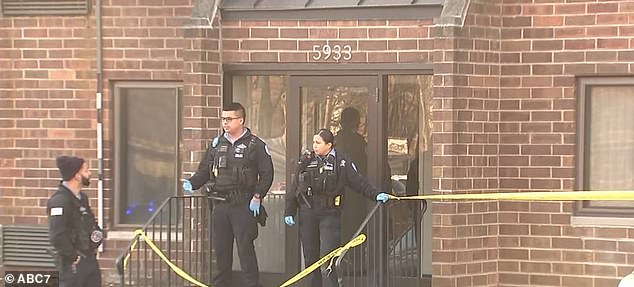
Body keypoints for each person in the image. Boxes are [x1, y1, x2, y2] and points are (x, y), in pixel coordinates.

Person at [182, 102, 274, 287]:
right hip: (220, 205)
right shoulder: (217, 144)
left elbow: (267, 174)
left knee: (245, 249)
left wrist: (258, 196)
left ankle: (252, 284)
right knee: (221, 251)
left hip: (243, 205)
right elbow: (205, 170)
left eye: (229, 119)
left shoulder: (255, 145)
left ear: (241, 120)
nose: (225, 122)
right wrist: (192, 182)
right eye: (223, 119)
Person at [284, 129, 390, 287]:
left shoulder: (341, 160)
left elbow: (358, 182)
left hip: (329, 213)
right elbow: (295, 187)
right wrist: (289, 210)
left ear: (329, 145)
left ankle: (333, 284)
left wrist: (375, 195)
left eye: (318, 143)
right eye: (313, 142)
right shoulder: (307, 159)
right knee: (310, 255)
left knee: (330, 253)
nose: (314, 146)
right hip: (308, 211)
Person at [47, 155, 103, 287]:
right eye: (86, 170)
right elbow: (57, 236)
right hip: (72, 266)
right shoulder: (59, 201)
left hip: (90, 260)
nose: (90, 173)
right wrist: (73, 256)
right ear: (76, 175)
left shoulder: (82, 198)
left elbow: (91, 225)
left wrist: (97, 237)